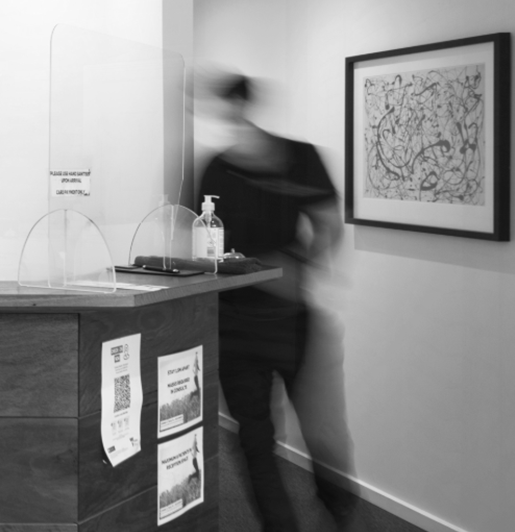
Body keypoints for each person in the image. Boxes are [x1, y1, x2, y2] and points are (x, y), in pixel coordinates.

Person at [199, 74, 355, 531]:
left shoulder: (300, 157)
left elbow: (329, 224)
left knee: (320, 433)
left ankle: (339, 513)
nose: (231, 116)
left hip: (291, 319)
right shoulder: (215, 169)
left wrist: (299, 266)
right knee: (255, 441)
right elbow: (204, 242)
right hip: (233, 321)